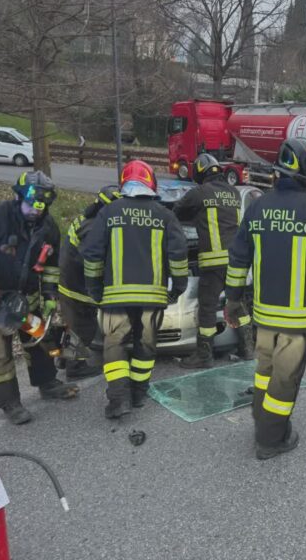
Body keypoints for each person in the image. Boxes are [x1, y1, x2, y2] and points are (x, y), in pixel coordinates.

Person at [224, 138, 306, 460]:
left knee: (264, 371)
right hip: (298, 319)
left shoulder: (257, 206)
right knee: (285, 379)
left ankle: (262, 422)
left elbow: (238, 258)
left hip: (264, 315)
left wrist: (232, 300)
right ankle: (271, 440)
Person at [0, 171, 78, 425]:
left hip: (27, 299)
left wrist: (51, 293)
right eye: (30, 204)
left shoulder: (48, 227)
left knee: (39, 340)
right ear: (19, 196)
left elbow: (52, 264)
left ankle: (47, 383)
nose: (35, 210)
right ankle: (9, 401)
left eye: (40, 206)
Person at [80, 160, 189, 419]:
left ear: (124, 183)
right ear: (151, 183)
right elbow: (178, 255)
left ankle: (119, 398)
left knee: (114, 342)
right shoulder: (164, 215)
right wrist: (178, 287)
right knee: (146, 343)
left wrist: (94, 288)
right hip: (152, 296)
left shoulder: (109, 212)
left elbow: (93, 254)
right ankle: (139, 392)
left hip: (115, 296)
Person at [173, 153, 254, 368]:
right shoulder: (234, 193)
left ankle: (204, 355)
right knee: (237, 302)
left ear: (200, 172)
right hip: (236, 261)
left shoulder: (199, 192)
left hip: (213, 262)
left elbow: (176, 213)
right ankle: (247, 350)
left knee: (207, 307)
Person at [56, 185, 121, 380]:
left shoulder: (87, 219)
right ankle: (75, 368)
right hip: (77, 286)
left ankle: (65, 358)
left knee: (73, 324)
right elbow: (93, 260)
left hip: (68, 281)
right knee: (85, 328)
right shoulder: (94, 228)